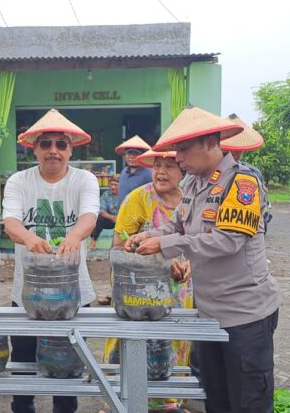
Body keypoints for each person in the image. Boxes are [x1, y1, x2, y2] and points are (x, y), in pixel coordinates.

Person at [125, 105, 280, 413]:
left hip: (245, 315)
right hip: (209, 314)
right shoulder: (194, 182)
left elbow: (228, 240)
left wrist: (163, 244)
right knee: (216, 398)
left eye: (182, 149)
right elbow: (179, 224)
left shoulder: (241, 183)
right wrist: (150, 234)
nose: (177, 158)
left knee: (248, 402)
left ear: (211, 143)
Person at [3, 108, 99, 413]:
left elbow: (89, 216)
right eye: (46, 144)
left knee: (66, 363)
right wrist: (30, 239)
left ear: (70, 149)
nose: (53, 151)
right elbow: (11, 223)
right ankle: (22, 408)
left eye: (61, 144)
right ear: (34, 148)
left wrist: (74, 237)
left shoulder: (84, 179)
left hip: (72, 292)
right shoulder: (19, 181)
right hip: (27, 292)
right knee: (22, 361)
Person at [104, 150, 190, 412]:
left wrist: (189, 266)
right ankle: (116, 399)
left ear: (183, 171)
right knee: (128, 343)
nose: (161, 172)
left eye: (170, 166)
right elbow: (119, 247)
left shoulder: (192, 200)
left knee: (174, 342)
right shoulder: (138, 198)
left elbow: (203, 242)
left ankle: (169, 401)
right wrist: (156, 258)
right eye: (157, 165)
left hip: (181, 288)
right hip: (136, 287)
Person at [115, 135, 153, 204]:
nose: (132, 157)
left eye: (136, 154)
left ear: (142, 156)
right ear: (125, 155)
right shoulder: (124, 171)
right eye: (129, 153)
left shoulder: (149, 174)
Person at [89, 174, 119, 250]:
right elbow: (101, 210)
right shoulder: (106, 194)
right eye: (111, 184)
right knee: (99, 217)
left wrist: (119, 218)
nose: (113, 187)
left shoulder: (125, 194)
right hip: (110, 220)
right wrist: (112, 217)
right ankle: (93, 241)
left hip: (122, 220)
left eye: (115, 185)